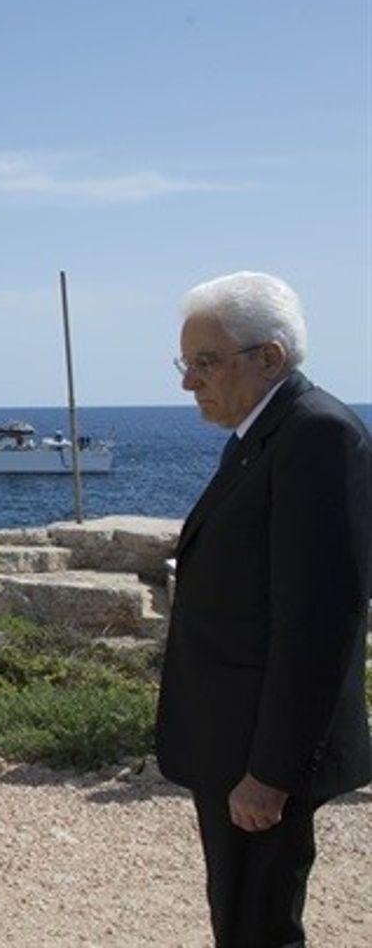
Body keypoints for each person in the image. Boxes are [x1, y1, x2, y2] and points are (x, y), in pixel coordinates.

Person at [156, 270, 371, 947]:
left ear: (270, 357)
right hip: (234, 742)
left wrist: (271, 773)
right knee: (240, 920)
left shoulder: (316, 436)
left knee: (260, 927)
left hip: (260, 754)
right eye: (186, 363)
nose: (190, 382)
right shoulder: (265, 433)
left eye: (206, 363)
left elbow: (319, 620)